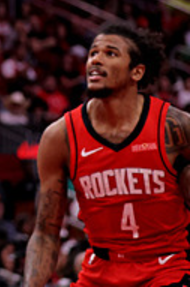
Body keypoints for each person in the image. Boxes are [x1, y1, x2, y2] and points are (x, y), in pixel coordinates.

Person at [25, 24, 190, 286]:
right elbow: (46, 231)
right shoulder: (61, 137)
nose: (96, 59)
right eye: (93, 53)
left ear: (137, 71)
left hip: (165, 268)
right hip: (100, 270)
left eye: (110, 53)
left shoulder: (176, 128)